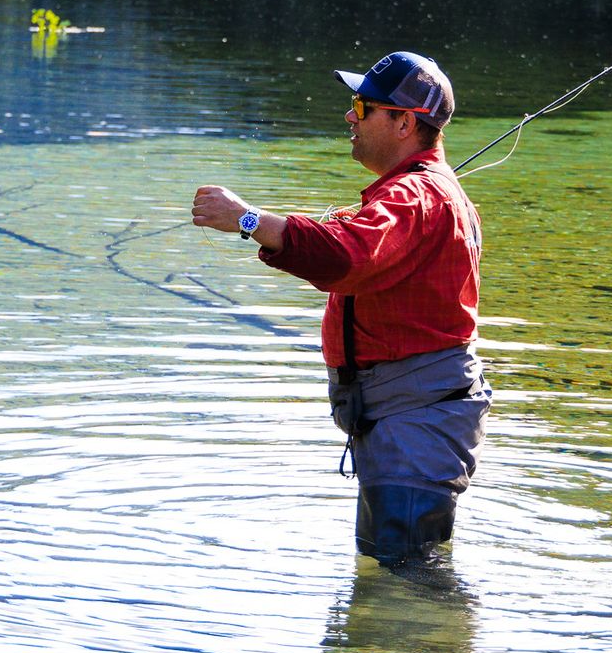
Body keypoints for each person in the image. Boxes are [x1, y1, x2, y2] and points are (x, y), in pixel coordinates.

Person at [190, 52, 490, 565]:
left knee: (408, 586)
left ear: (403, 121)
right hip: (407, 420)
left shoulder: (415, 196)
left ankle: (421, 648)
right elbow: (355, 250)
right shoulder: (416, 195)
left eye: (362, 105)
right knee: (397, 574)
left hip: (415, 425)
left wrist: (247, 220)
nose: (349, 116)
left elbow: (344, 257)